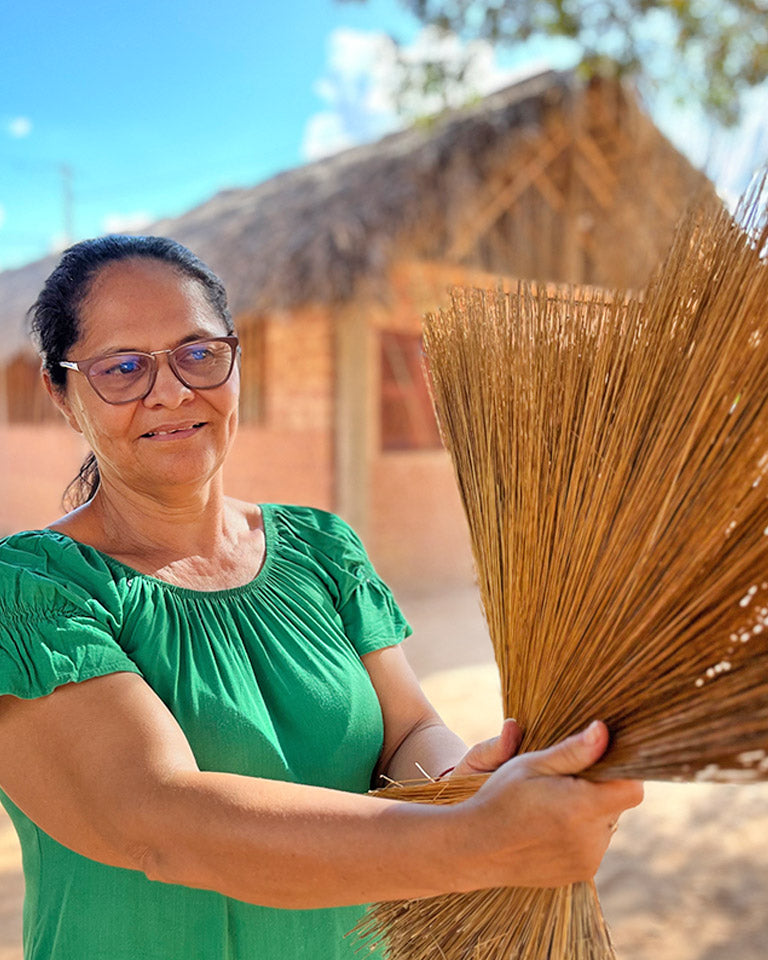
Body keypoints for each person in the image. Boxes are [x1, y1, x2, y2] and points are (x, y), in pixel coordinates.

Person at [0, 235, 642, 960]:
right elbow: (154, 820)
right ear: (62, 392)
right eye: (123, 368)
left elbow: (405, 733)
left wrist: (465, 784)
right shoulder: (31, 595)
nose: (173, 391)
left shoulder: (321, 548)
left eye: (199, 353)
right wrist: (473, 839)